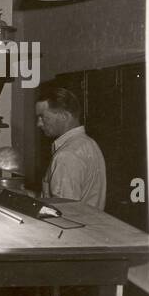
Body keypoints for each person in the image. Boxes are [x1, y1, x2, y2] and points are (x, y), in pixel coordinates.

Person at [34, 82, 107, 210]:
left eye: (42, 117)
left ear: (64, 116)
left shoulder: (66, 156)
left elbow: (65, 213)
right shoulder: (89, 143)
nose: (38, 124)